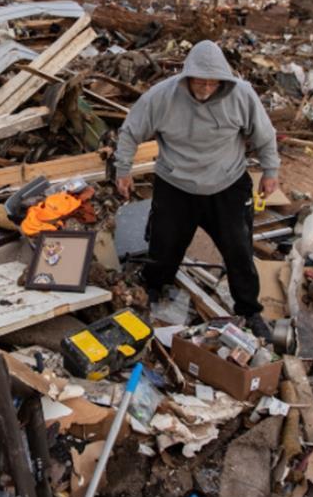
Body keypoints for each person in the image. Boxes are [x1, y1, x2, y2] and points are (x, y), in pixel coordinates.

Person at [113, 40, 280, 341]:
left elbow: (264, 135)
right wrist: (123, 170)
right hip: (176, 184)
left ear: (223, 80)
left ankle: (249, 310)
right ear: (187, 76)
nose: (204, 88)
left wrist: (271, 171)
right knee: (164, 247)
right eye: (199, 81)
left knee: (239, 249)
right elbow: (131, 131)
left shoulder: (241, 95)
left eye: (211, 83)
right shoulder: (162, 97)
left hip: (227, 183)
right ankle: (153, 289)